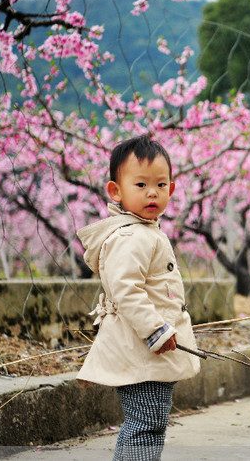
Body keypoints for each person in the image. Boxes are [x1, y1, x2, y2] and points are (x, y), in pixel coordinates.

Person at [76, 135, 201, 460]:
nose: (152, 192)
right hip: (142, 350)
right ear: (116, 191)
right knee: (146, 423)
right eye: (141, 184)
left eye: (160, 184)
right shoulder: (131, 236)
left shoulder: (144, 231)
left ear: (171, 189)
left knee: (147, 422)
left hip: (147, 352)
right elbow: (125, 288)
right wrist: (156, 329)